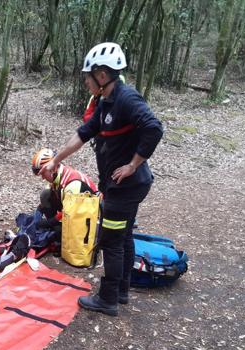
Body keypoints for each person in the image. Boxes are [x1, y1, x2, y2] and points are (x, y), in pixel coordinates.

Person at [40, 42, 163, 316]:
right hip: (122, 185)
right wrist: (56, 160)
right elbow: (82, 135)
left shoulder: (127, 99)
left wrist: (132, 164)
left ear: (103, 76)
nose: (86, 81)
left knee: (111, 240)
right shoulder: (106, 102)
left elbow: (154, 129)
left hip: (127, 185)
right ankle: (121, 291)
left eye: (88, 76)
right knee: (125, 235)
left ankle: (107, 298)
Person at [31, 148, 98, 228]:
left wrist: (50, 223)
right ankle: (57, 228)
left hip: (91, 218)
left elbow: (68, 212)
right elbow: (50, 196)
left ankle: (58, 229)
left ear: (53, 168)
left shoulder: (72, 184)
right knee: (46, 194)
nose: (43, 178)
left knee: (59, 233)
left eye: (43, 174)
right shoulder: (59, 175)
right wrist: (39, 211)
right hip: (76, 209)